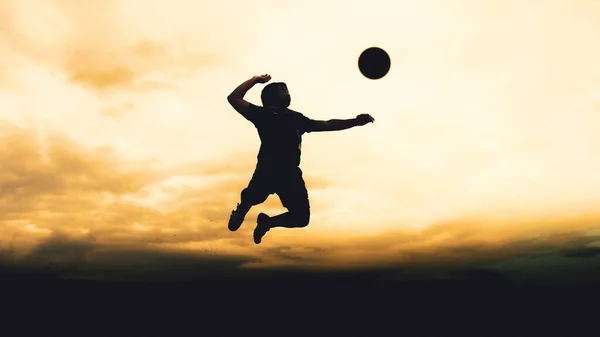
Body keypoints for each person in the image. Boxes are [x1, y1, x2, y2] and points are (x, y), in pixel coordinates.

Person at [226, 74, 374, 244]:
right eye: (285, 92)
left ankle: (267, 222)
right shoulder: (262, 114)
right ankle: (241, 211)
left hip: (289, 174)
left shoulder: (295, 118)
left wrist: (354, 122)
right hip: (267, 171)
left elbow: (327, 124)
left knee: (301, 218)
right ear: (275, 97)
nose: (289, 95)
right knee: (252, 198)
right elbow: (234, 98)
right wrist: (255, 80)